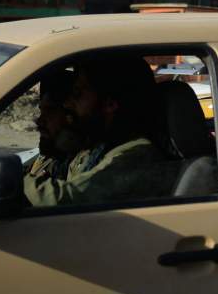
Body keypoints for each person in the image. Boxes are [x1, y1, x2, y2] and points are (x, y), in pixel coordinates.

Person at [24, 56, 170, 206]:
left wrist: (13, 180)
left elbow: (68, 200)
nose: (67, 104)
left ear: (110, 104)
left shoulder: (135, 155)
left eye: (77, 94)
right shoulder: (97, 147)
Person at [27, 68, 84, 181]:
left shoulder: (82, 167)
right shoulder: (49, 158)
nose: (40, 121)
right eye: (41, 111)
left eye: (49, 111)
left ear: (71, 117)